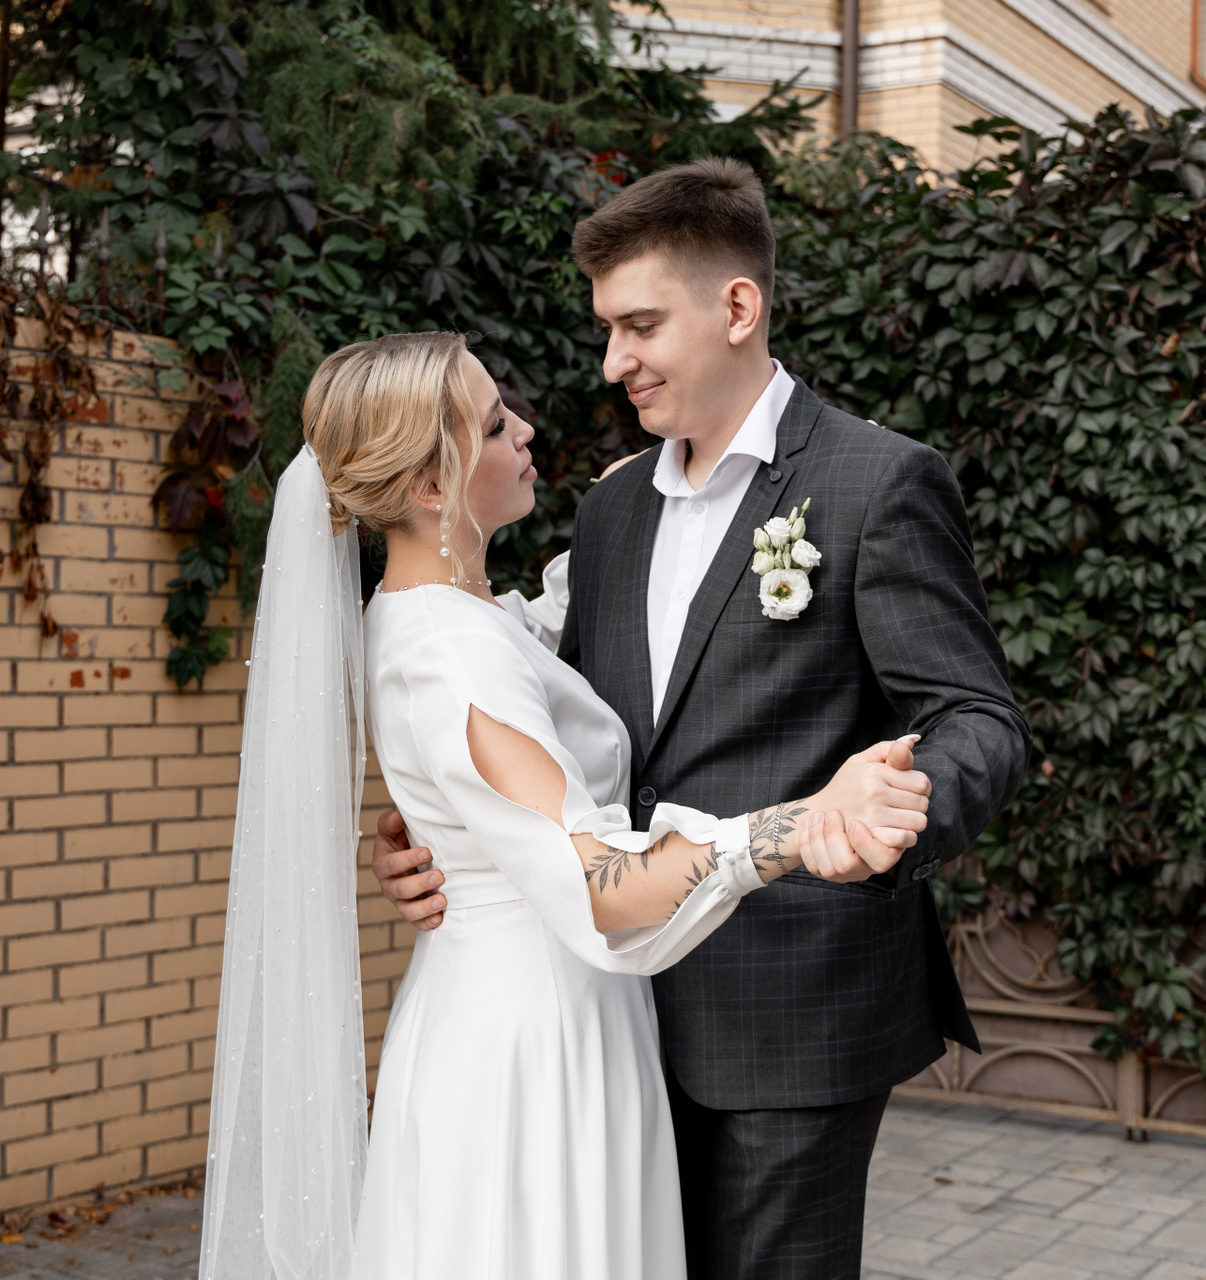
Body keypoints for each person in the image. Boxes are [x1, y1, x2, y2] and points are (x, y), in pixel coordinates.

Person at [372, 158, 1032, 1279]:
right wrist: (442, 834)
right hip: (608, 1012)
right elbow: (557, 725)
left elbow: (979, 718)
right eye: (607, 329)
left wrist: (882, 815)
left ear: (737, 308)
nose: (612, 361)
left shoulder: (877, 482)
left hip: (793, 1009)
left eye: (639, 326)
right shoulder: (613, 508)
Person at [196, 328, 938, 1280]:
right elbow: (596, 884)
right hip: (534, 1038)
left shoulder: (442, 616)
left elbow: (538, 654)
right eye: (494, 424)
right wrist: (803, 823)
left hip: (522, 1003)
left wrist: (635, 518)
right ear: (430, 486)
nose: (526, 428)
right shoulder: (453, 657)